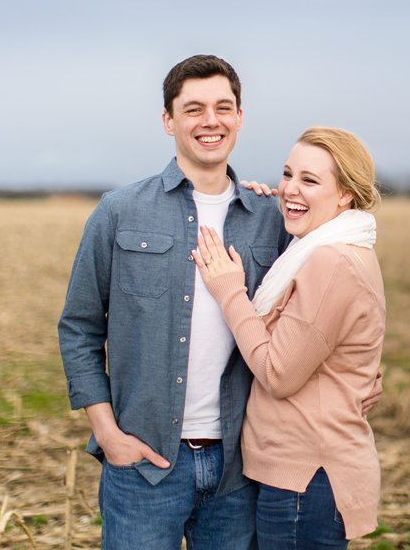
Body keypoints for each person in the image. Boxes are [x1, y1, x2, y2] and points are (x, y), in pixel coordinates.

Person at [58, 54, 292, 549]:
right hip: (143, 467)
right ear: (168, 121)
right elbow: (79, 327)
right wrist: (108, 434)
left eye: (223, 107)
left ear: (240, 117)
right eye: (193, 109)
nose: (211, 121)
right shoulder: (119, 211)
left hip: (240, 467)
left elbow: (313, 313)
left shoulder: (270, 219)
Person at [192, 126, 385, 549]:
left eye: (310, 180)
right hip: (300, 474)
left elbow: (277, 373)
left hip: (307, 478)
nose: (290, 189)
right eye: (287, 174)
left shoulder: (331, 262)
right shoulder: (325, 249)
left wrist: (230, 291)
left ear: (345, 195)